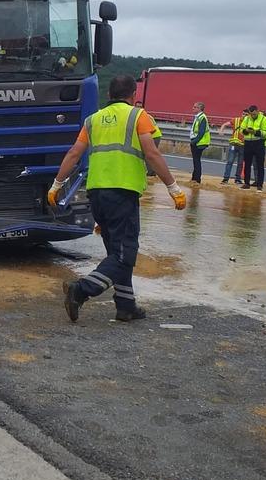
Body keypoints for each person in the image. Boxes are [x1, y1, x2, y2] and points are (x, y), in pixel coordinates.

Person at [50, 75, 187, 324]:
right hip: (122, 192)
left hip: (97, 193)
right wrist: (173, 187)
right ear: (133, 94)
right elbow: (152, 153)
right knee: (125, 255)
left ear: (109, 94)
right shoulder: (138, 116)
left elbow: (73, 154)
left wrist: (57, 185)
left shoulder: (93, 120)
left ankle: (125, 306)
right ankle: (80, 290)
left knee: (117, 252)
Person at [239, 104, 266, 190]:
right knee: (247, 164)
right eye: (251, 114)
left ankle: (260, 185)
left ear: (257, 111)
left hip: (259, 143)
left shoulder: (264, 119)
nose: (252, 116)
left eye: (254, 114)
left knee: (260, 165)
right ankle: (246, 183)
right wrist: (245, 131)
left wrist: (255, 132)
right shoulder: (247, 118)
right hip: (248, 143)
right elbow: (241, 130)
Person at [220, 109, 247, 184]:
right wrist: (221, 131)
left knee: (240, 163)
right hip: (234, 144)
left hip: (242, 145)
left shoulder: (249, 122)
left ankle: (237, 179)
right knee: (230, 161)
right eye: (243, 114)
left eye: (246, 114)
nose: (244, 116)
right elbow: (225, 124)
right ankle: (226, 178)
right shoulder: (236, 120)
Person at [189, 101, 210, 183]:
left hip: (199, 143)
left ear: (199, 108)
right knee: (195, 160)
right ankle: (194, 178)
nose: (193, 108)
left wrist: (194, 142)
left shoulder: (202, 118)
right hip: (197, 142)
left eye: (194, 107)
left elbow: (201, 132)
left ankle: (197, 179)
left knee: (196, 161)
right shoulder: (198, 117)